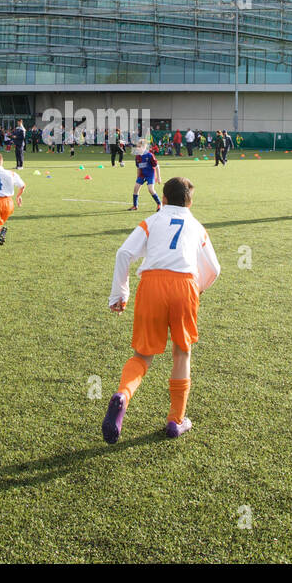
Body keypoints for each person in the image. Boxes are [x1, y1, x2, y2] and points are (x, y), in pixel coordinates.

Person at [102, 176, 220, 443]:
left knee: (142, 355)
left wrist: (119, 294)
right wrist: (196, 289)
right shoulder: (197, 226)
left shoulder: (153, 221)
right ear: (190, 202)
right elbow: (215, 269)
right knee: (182, 354)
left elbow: (124, 254)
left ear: (163, 199)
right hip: (184, 286)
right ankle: (175, 421)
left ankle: (122, 395)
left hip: (151, 285)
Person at [129, 138, 162, 211]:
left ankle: (159, 204)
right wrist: (138, 178)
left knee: (151, 189)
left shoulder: (150, 155)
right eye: (137, 146)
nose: (137, 148)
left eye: (139, 147)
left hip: (150, 175)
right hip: (142, 175)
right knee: (136, 188)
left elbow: (157, 166)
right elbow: (138, 168)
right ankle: (135, 206)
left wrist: (159, 178)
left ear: (144, 147)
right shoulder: (137, 157)